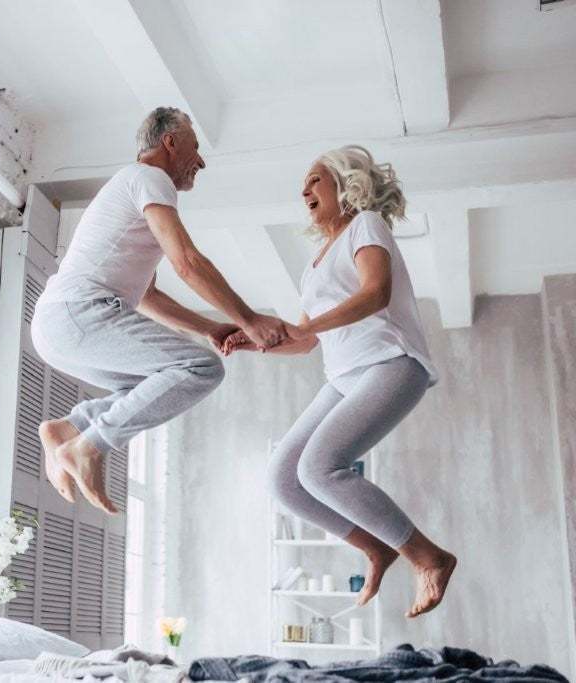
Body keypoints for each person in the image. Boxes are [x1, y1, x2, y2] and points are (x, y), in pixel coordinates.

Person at [225, 145, 456, 618]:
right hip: (343, 376)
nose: (303, 190)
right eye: (303, 185)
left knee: (319, 467)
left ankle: (428, 556)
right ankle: (376, 547)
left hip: (390, 363)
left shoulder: (366, 224)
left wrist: (303, 327)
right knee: (283, 479)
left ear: (344, 183)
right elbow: (305, 341)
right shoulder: (314, 264)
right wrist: (254, 342)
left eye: (313, 179)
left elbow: (376, 293)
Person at [30, 106, 288, 515]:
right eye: (196, 148)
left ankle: (71, 428)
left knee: (154, 385)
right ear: (170, 142)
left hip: (59, 323)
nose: (200, 161)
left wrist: (208, 328)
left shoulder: (130, 188)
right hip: (78, 313)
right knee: (202, 369)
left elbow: (148, 296)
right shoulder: (149, 178)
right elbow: (187, 262)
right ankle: (90, 446)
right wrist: (249, 320)